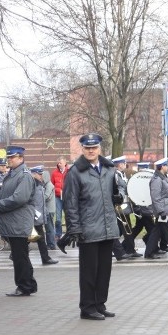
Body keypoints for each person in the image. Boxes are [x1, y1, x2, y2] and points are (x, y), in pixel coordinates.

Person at [61, 133, 121, 320]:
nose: (91, 150)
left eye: (94, 147)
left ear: (99, 149)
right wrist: (74, 228)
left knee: (104, 271)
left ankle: (99, 304)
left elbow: (114, 194)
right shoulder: (75, 172)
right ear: (83, 149)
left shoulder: (109, 169)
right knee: (89, 272)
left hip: (108, 227)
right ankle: (87, 307)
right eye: (87, 148)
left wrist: (119, 198)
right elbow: (70, 203)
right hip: (87, 229)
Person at [0, 145, 38, 296]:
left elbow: (20, 198)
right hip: (14, 222)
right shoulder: (13, 174)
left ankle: (24, 286)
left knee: (20, 257)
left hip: (19, 222)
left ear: (21, 158)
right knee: (20, 256)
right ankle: (28, 284)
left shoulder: (24, 175)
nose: (9, 160)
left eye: (12, 157)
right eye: (8, 157)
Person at [145, 157, 168, 259]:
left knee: (156, 233)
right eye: (167, 166)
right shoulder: (157, 179)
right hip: (163, 210)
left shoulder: (163, 177)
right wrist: (161, 210)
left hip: (165, 209)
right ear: (162, 167)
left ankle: (148, 253)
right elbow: (155, 197)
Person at [29, 166, 58, 265]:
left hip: (38, 216)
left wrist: (44, 213)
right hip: (32, 216)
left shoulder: (39, 184)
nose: (41, 176)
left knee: (39, 238)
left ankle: (45, 258)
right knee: (34, 238)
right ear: (33, 174)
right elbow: (29, 201)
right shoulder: (31, 185)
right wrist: (33, 213)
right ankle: (45, 258)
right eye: (39, 174)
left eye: (41, 174)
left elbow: (41, 202)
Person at [52, 156, 68, 238]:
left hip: (67, 197)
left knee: (68, 216)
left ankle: (70, 233)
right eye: (58, 163)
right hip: (57, 197)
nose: (59, 164)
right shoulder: (54, 173)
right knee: (58, 218)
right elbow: (52, 184)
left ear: (65, 163)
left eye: (60, 163)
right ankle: (58, 234)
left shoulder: (70, 172)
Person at [42, 168, 57, 250]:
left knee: (49, 228)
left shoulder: (49, 185)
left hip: (49, 210)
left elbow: (46, 196)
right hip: (49, 209)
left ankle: (51, 244)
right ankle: (51, 243)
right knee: (49, 228)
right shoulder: (47, 185)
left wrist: (39, 198)